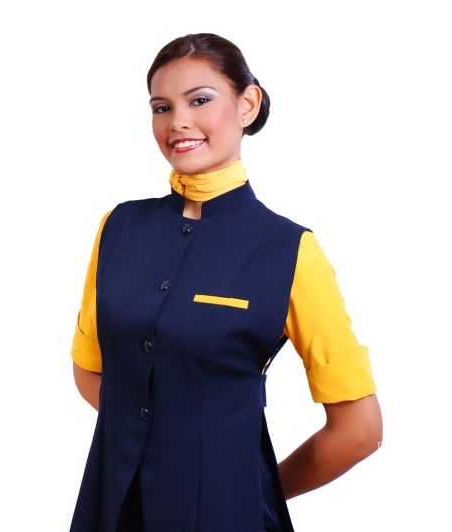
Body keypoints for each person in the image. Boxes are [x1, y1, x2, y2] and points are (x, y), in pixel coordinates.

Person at [69, 33, 382, 532]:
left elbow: (360, 430)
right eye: (161, 107)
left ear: (247, 104)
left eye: (200, 100)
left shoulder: (290, 251)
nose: (178, 123)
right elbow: (89, 368)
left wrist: (250, 485)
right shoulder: (118, 228)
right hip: (111, 508)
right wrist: (147, 439)